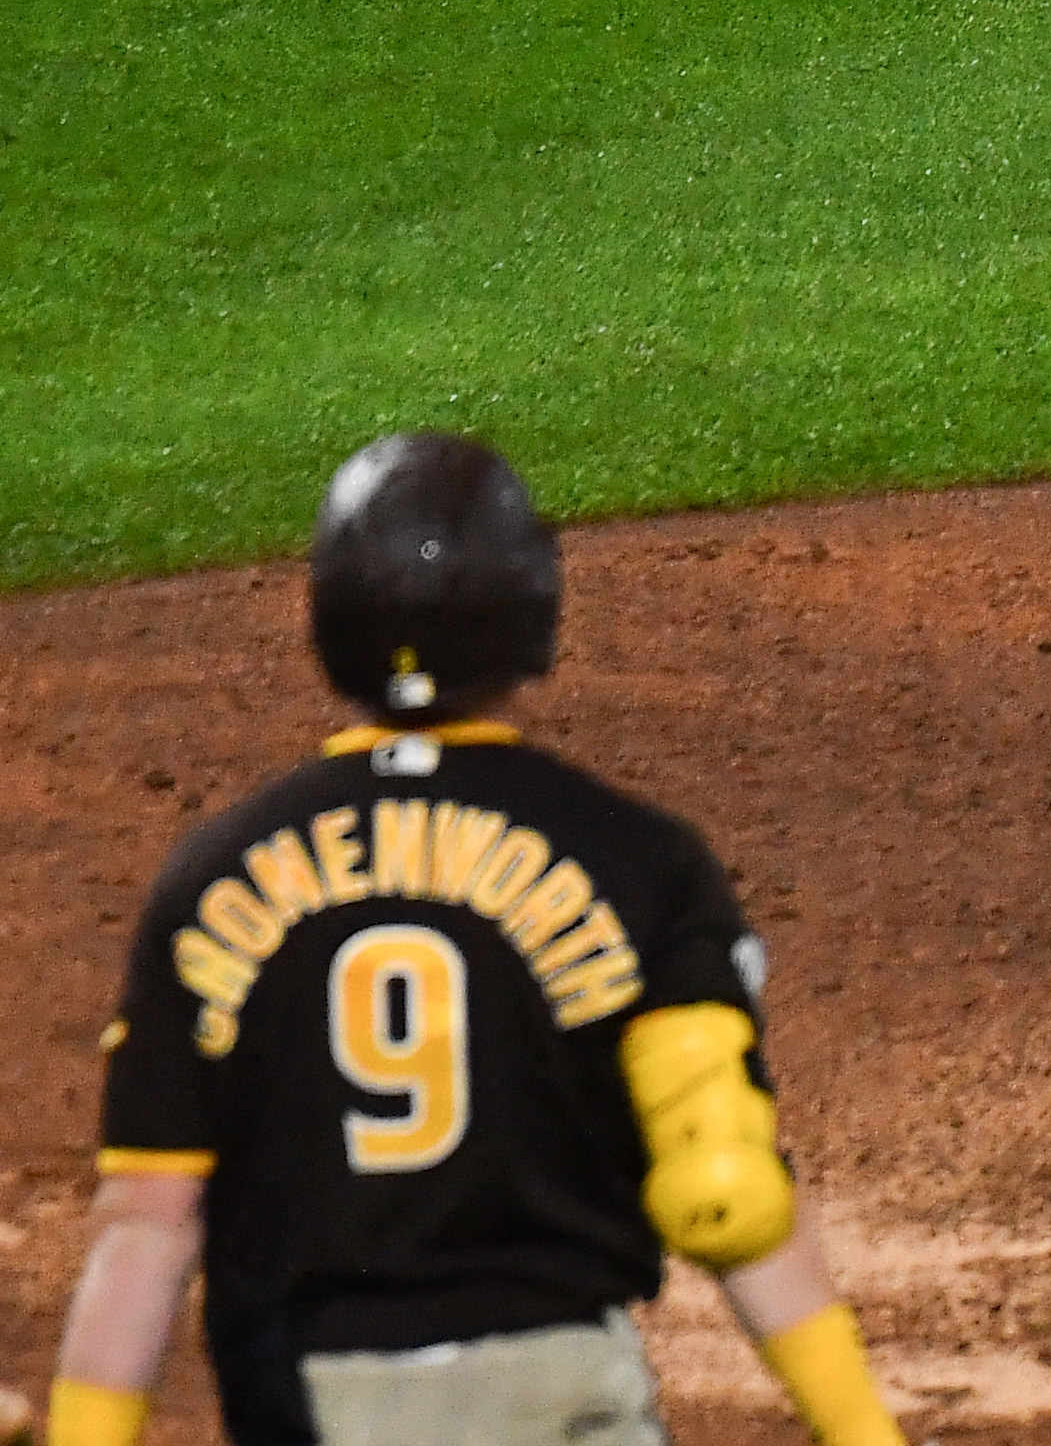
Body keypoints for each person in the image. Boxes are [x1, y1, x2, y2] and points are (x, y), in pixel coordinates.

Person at [39, 435, 913, 1446]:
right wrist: (865, 1435)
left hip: (313, 1403)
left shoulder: (214, 877)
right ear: (529, 607)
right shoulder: (635, 856)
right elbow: (730, 1190)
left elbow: (147, 1226)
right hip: (558, 1391)